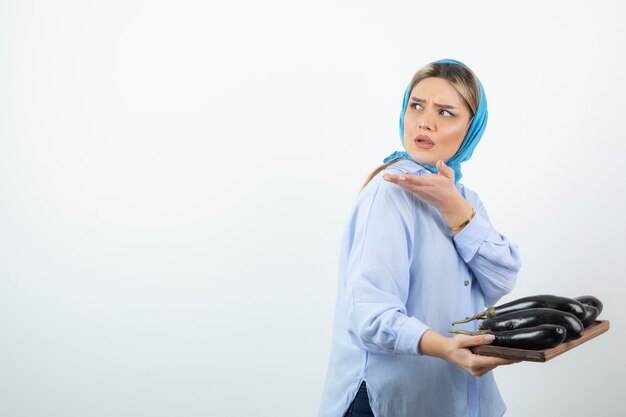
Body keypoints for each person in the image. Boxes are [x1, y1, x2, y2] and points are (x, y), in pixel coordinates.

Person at [317, 59, 522, 417]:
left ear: (470, 129)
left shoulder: (465, 200)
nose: (424, 121)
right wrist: (446, 348)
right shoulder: (391, 192)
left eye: (445, 112)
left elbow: (502, 277)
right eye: (417, 106)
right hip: (392, 402)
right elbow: (367, 315)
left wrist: (452, 207)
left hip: (455, 399)